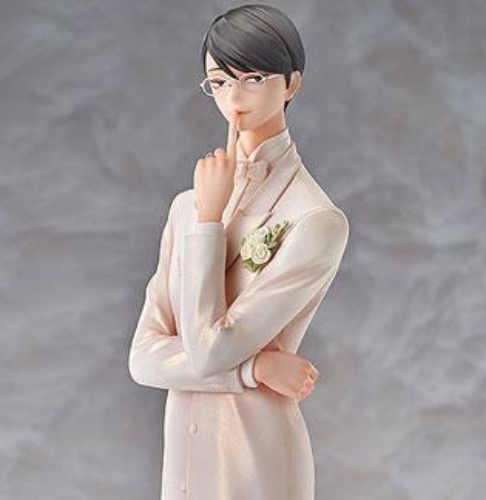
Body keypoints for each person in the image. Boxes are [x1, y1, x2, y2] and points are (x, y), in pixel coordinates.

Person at [128, 4, 349, 499]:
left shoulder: (314, 219)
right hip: (185, 463)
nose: (233, 97)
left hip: (257, 455)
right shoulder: (186, 206)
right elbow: (142, 358)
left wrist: (210, 222)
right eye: (219, 82)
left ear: (291, 84)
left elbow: (211, 352)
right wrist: (255, 368)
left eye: (252, 78)